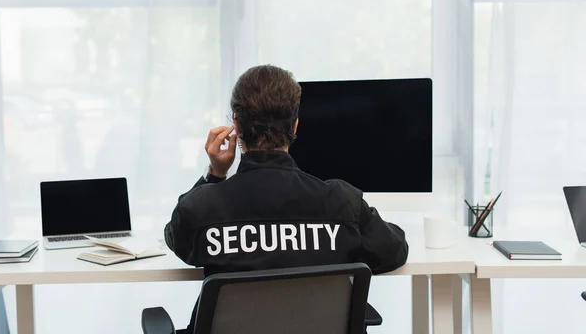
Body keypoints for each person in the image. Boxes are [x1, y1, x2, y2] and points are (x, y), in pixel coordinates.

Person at [164, 65, 409, 333]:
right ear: (294, 125)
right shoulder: (341, 202)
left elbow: (177, 237)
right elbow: (393, 250)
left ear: (237, 126)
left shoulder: (204, 207)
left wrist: (215, 174)